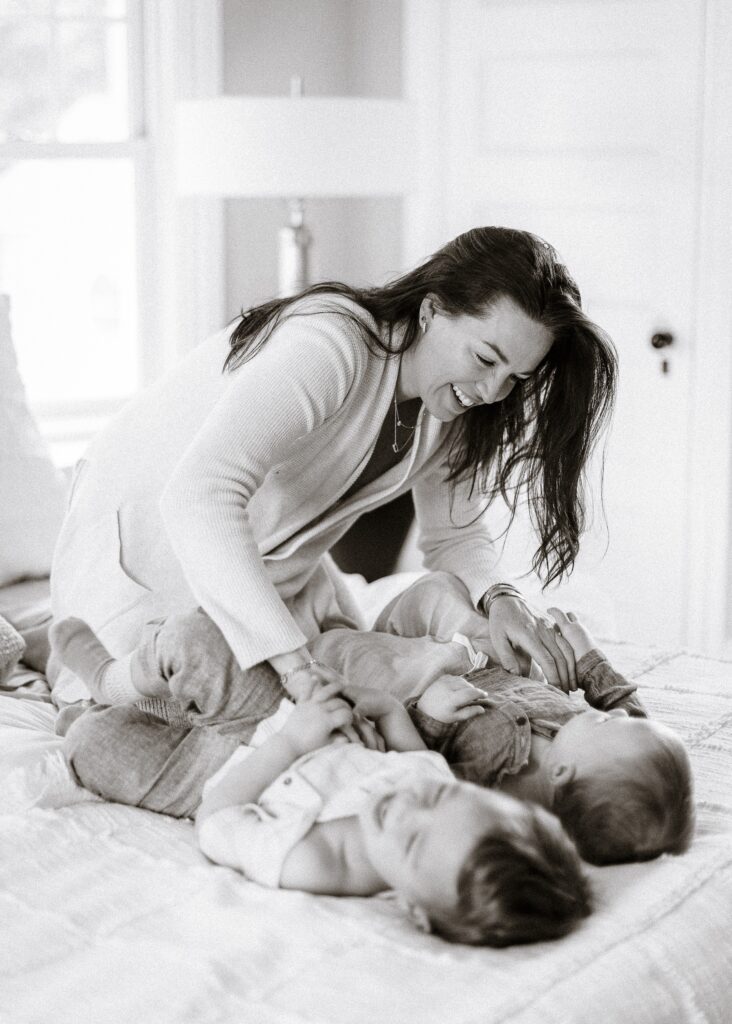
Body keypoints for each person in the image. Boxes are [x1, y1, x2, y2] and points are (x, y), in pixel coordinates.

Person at [48, 226, 617, 712]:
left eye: (516, 377)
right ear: (431, 309)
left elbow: (457, 533)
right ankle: (47, 639)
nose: (493, 391)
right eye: (486, 358)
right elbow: (200, 494)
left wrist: (502, 600)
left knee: (354, 691)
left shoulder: (455, 409)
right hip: (149, 554)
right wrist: (294, 667)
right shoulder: (332, 346)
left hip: (267, 567)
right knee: (167, 709)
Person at [362, 572, 695, 866]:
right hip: (493, 665)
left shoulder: (498, 796)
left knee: (356, 660)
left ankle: (352, 638)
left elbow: (427, 769)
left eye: (609, 722)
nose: (618, 714)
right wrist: (589, 657)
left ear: (563, 772)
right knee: (440, 588)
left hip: (427, 690)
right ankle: (393, 626)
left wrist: (430, 718)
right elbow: (625, 704)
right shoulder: (612, 749)